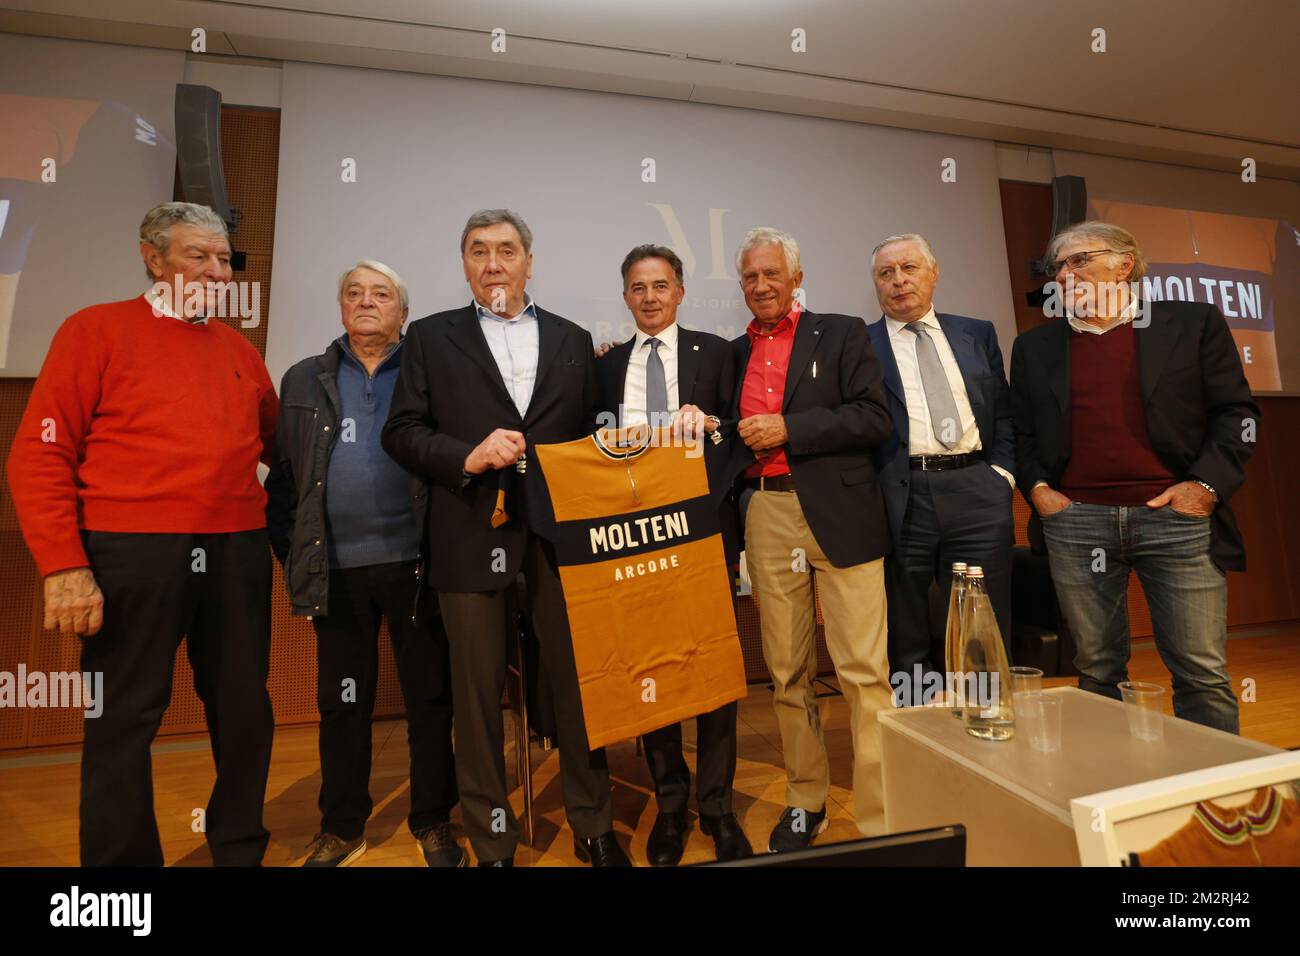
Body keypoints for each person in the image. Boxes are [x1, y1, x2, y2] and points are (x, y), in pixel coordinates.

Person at [6, 201, 278, 865]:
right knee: (122, 721)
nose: (216, 271)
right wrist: (64, 565)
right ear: (153, 258)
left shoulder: (239, 349)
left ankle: (239, 848)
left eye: (223, 259)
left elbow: (280, 449)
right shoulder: (94, 330)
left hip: (236, 552)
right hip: (130, 554)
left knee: (245, 714)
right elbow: (38, 453)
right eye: (198, 256)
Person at [382, 209, 630, 866]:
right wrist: (466, 454)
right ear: (464, 262)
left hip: (562, 539)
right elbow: (401, 432)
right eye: (478, 250)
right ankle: (493, 841)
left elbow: (595, 434)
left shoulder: (576, 340)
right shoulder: (431, 339)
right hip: (468, 534)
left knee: (577, 687)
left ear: (528, 259)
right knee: (477, 696)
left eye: (506, 250)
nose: (493, 262)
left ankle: (594, 825)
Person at [1010, 220, 1258, 733]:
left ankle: (1213, 798)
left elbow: (1237, 416)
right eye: (1059, 266)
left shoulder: (1192, 323)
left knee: (1200, 672)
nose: (1065, 273)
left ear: (1124, 264)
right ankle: (1111, 793)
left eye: (1080, 260)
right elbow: (1023, 435)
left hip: (1177, 520)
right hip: (1076, 524)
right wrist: (1039, 493)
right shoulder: (1034, 348)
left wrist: (1205, 487)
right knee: (1096, 671)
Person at [265, 259, 461, 867]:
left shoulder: (429, 373)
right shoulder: (303, 378)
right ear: (341, 306)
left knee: (429, 698)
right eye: (354, 292)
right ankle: (342, 824)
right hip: (338, 571)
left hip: (417, 565)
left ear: (404, 312)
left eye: (381, 294)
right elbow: (285, 482)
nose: (366, 302)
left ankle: (433, 819)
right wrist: (297, 557)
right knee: (342, 701)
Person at [731, 227, 894, 850]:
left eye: (772, 273)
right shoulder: (730, 352)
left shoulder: (842, 331)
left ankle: (879, 811)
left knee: (862, 671)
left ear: (796, 279)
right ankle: (805, 800)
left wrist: (789, 429)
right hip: (767, 516)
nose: (761, 285)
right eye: (750, 276)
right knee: (786, 670)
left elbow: (874, 417)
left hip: (843, 514)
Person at [594, 243, 752, 865]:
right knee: (653, 671)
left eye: (661, 285)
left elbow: (742, 430)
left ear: (681, 291)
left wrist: (710, 423)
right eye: (638, 288)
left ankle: (716, 807)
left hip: (706, 529)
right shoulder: (603, 369)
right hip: (633, 537)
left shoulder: (718, 353)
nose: (651, 297)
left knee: (713, 669)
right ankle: (669, 804)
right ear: (626, 296)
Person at [865, 234, 1015, 701]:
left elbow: (1004, 411)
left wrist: (1002, 476)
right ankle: (917, 723)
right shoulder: (859, 345)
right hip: (900, 493)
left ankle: (985, 710)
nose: (899, 281)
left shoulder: (977, 332)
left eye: (909, 268)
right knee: (905, 620)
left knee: (984, 615)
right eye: (886, 274)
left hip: (977, 488)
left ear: (933, 273)